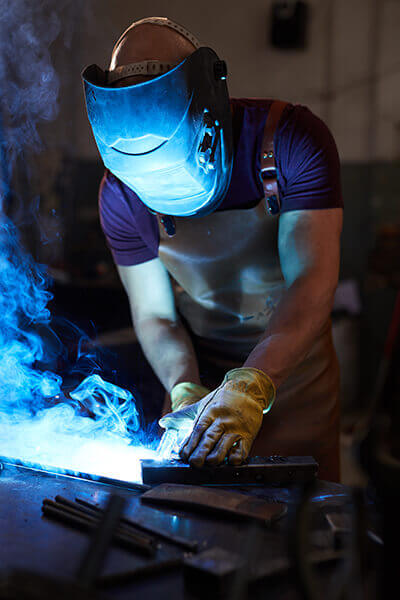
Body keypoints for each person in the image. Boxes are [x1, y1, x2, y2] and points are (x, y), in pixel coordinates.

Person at [82, 17, 343, 481]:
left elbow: (311, 283)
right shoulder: (118, 194)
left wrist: (250, 386)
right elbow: (155, 316)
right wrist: (184, 390)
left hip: (298, 382)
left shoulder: (291, 141)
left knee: (304, 537)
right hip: (197, 382)